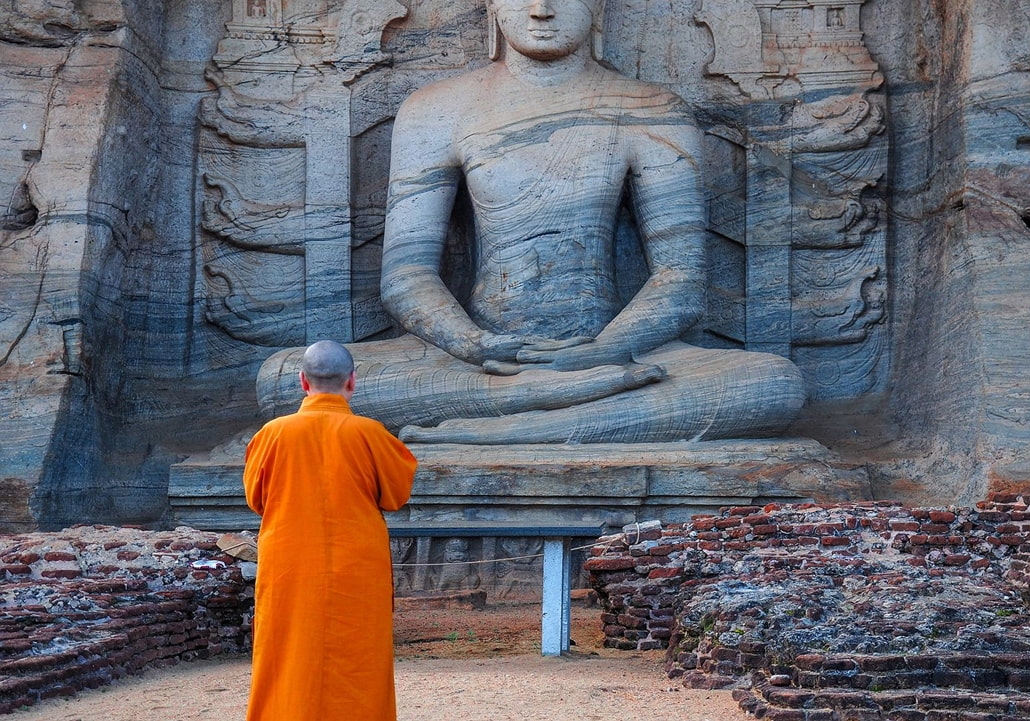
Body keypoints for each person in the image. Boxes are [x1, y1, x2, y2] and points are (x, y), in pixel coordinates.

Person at [257, 0, 805, 443]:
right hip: (479, 362)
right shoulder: (437, 109)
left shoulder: (649, 108)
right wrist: (470, 344)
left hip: (614, 351)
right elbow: (406, 277)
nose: (542, 9)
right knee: (284, 382)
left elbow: (681, 281)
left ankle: (509, 426)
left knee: (771, 384)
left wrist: (604, 350)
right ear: (492, 5)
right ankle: (544, 404)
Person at [243, 340, 417, 721]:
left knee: (286, 654)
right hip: (356, 569)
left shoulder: (271, 434)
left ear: (303, 382)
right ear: (352, 381)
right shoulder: (371, 435)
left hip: (290, 565)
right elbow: (396, 496)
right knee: (359, 659)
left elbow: (257, 500)